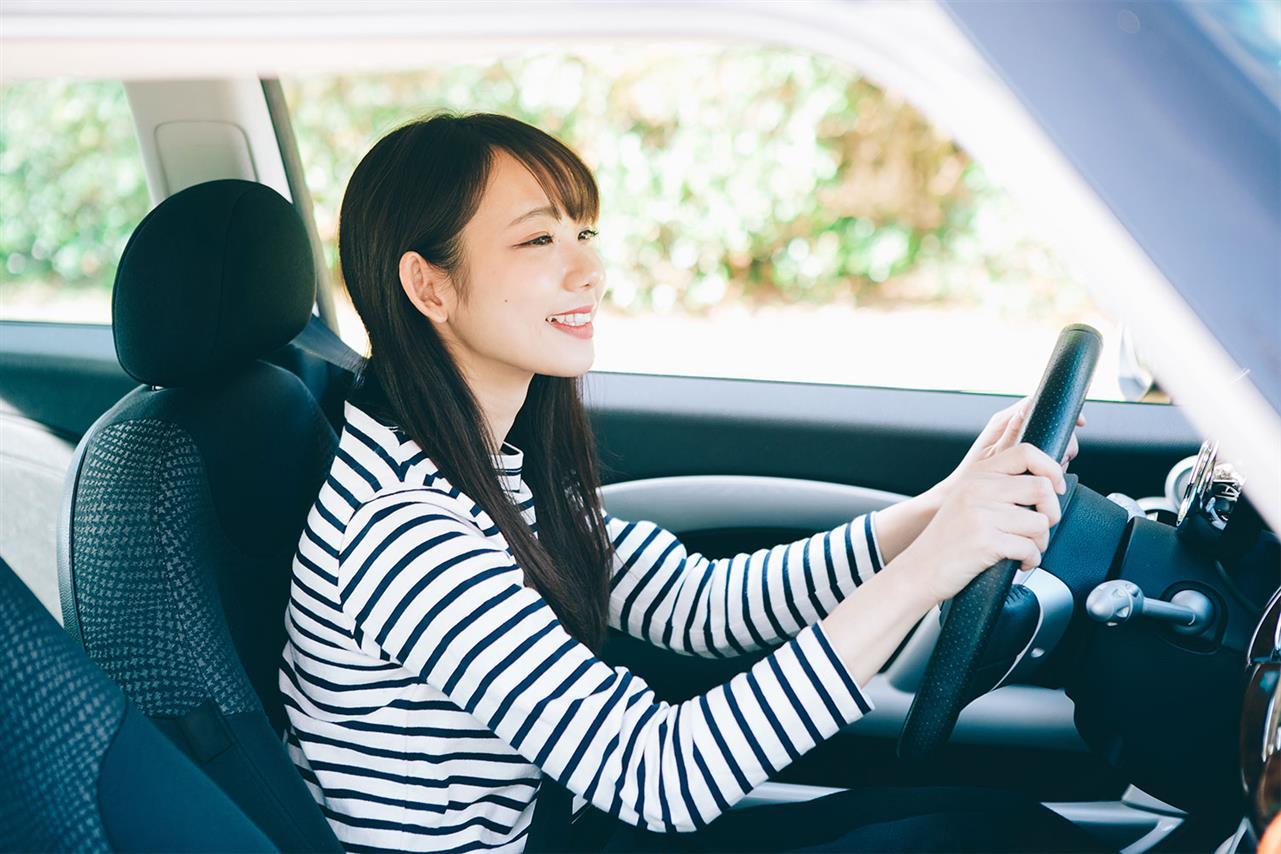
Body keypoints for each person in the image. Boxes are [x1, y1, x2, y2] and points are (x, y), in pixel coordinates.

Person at [278, 112, 1099, 854]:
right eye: (538, 243)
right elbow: (657, 776)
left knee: (984, 828)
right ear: (429, 286)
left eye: (584, 233)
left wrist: (935, 513)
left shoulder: (476, 469)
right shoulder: (403, 530)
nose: (588, 271)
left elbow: (701, 608)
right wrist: (927, 571)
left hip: (563, 834)